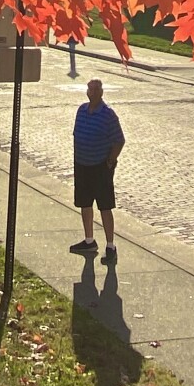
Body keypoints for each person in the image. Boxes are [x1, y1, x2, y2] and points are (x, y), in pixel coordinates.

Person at [70, 77, 125, 264]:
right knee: (85, 204)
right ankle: (89, 241)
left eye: (95, 90)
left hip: (100, 167)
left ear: (101, 93)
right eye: (89, 89)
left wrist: (110, 161)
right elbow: (76, 134)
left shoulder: (108, 115)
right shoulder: (81, 110)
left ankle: (110, 246)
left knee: (105, 206)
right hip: (82, 165)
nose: (91, 92)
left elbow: (119, 140)